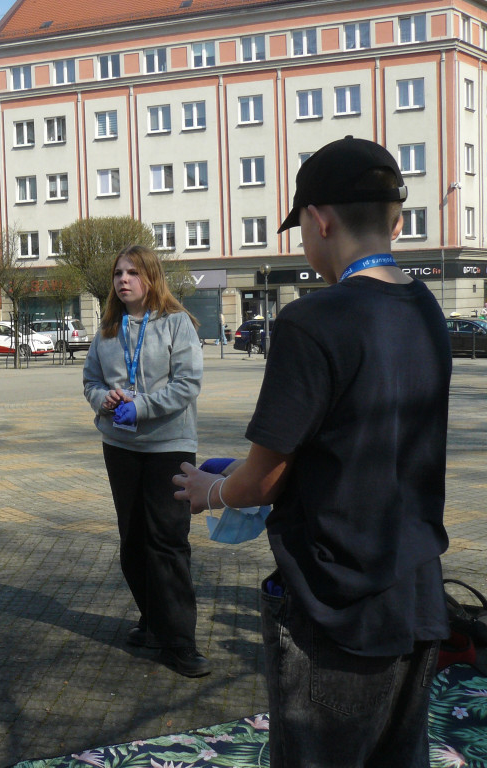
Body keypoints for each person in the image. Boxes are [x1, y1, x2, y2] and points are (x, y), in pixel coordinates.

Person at [173, 136, 451, 767]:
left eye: (300, 225)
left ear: (320, 219)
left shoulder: (312, 321)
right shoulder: (427, 309)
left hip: (334, 604)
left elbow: (262, 482)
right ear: (397, 220)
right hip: (414, 589)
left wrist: (209, 490)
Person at [82, 244, 208, 678]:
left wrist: (144, 406)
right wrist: (105, 399)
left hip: (169, 447)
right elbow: (91, 380)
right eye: (118, 272)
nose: (123, 280)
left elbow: (187, 383)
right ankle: (154, 622)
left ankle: (181, 641)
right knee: (133, 541)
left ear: (151, 278)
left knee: (168, 542)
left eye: (133, 272)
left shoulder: (177, 324)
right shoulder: (107, 330)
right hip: (121, 447)